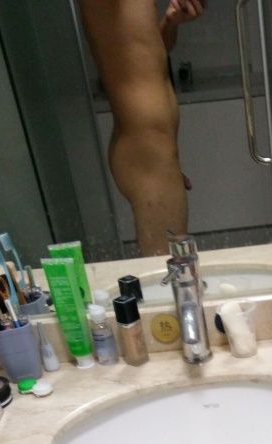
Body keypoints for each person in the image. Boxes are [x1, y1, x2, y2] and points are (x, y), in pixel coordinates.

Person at [80, 0, 205, 256]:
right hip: (145, 149)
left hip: (154, 148)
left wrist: (170, 22)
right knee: (168, 268)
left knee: (173, 267)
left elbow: (149, 52)